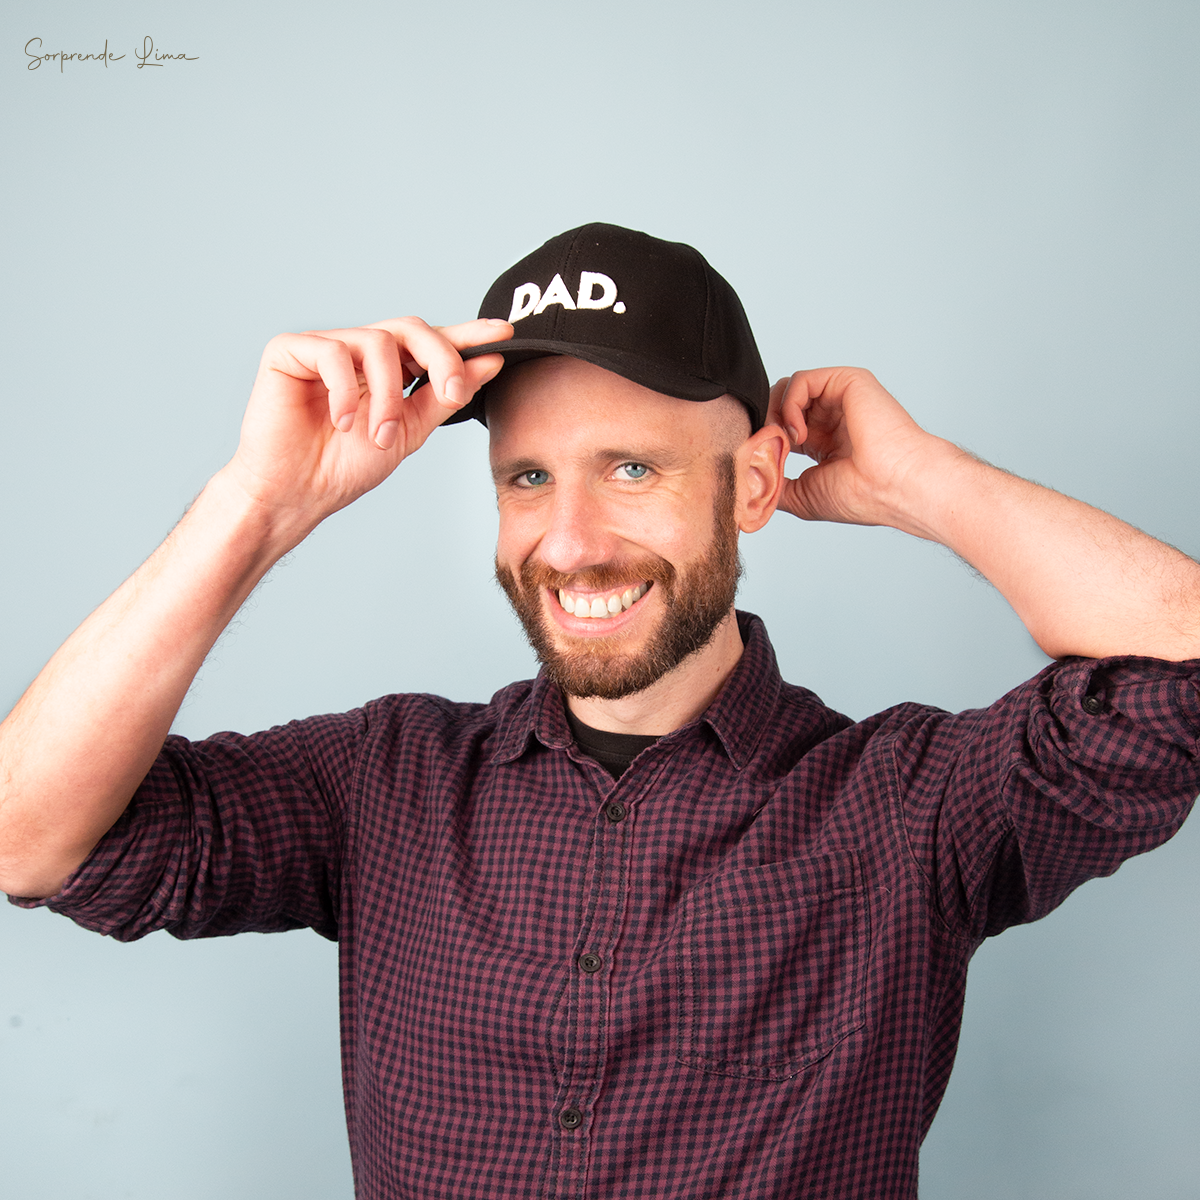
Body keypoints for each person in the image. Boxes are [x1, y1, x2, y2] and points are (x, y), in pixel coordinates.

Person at [1, 222, 1198, 1199]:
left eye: (632, 469)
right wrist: (258, 505)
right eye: (529, 477)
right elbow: (30, 835)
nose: (570, 543)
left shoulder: (911, 805)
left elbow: (1180, 672)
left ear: (753, 484)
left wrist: (923, 480)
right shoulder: (384, 780)